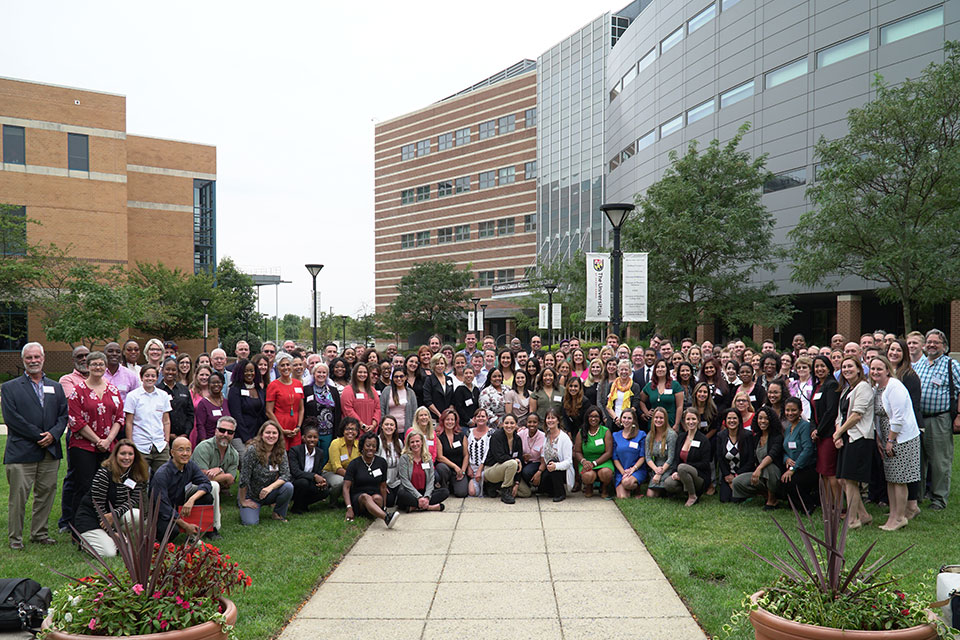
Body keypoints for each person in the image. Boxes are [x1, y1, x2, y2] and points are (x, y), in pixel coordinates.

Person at [2, 342, 69, 549]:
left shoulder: (56, 387)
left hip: (50, 451)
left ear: (43, 358)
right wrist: (39, 435)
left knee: (46, 494)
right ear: (23, 360)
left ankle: (40, 533)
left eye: (36, 357)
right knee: (18, 498)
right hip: (21, 451)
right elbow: (12, 418)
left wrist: (54, 435)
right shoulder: (10, 387)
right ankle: (15, 539)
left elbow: (63, 415)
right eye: (29, 358)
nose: (33, 361)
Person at [66, 351, 124, 525]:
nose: (98, 367)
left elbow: (119, 418)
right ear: (88, 366)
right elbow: (76, 420)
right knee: (85, 486)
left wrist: (107, 441)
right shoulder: (78, 391)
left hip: (108, 446)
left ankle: (104, 523)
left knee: (107, 486)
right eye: (94, 364)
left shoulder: (113, 390)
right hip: (83, 446)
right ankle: (80, 525)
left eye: (101, 364)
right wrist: (97, 440)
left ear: (106, 367)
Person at [870, 355, 921, 531]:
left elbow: (898, 417)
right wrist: (880, 439)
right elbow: (877, 417)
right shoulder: (878, 388)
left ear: (887, 370)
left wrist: (891, 440)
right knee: (891, 479)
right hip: (886, 438)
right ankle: (893, 514)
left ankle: (900, 518)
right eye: (873, 369)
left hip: (901, 438)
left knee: (899, 479)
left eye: (879, 369)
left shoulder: (895, 387)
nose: (875, 372)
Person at [74, 440, 148, 557]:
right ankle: (85, 541)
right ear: (115, 455)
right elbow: (97, 505)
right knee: (109, 554)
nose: (127, 458)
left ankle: (115, 539)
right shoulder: (104, 474)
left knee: (137, 515)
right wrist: (112, 532)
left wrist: (114, 514)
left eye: (130, 454)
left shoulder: (136, 473)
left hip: (113, 517)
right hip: (93, 518)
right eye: (123, 454)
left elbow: (133, 500)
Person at [914, 329, 960, 510]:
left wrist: (959, 416)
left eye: (936, 342)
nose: (932, 345)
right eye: (929, 341)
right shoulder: (919, 364)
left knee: (940, 461)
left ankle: (939, 499)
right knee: (917, 460)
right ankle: (916, 497)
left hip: (939, 419)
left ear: (944, 346)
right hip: (919, 419)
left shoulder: (951, 365)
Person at [834, 355, 875, 528]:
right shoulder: (846, 389)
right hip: (846, 437)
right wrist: (838, 433)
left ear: (859, 369)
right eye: (844, 367)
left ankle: (852, 520)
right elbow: (840, 415)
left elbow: (857, 415)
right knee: (842, 480)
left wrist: (839, 433)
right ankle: (864, 515)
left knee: (850, 479)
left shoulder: (863, 387)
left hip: (859, 438)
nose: (847, 369)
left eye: (850, 366)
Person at [149, 437, 211, 540]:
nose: (185, 453)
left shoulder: (190, 465)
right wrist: (185, 525)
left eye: (188, 450)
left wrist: (192, 499)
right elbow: (163, 506)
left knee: (206, 497)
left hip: (180, 505)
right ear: (172, 453)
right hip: (162, 512)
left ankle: (204, 529)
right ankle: (186, 528)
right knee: (171, 532)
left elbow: (206, 483)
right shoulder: (162, 474)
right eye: (180, 450)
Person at [190, 416, 239, 539]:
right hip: (190, 486)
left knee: (213, 485)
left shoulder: (234, 454)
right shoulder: (204, 447)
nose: (225, 434)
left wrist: (221, 471)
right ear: (216, 431)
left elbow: (230, 481)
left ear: (233, 435)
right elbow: (200, 477)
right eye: (222, 430)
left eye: (230, 432)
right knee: (214, 485)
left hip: (209, 489)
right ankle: (213, 528)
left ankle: (212, 526)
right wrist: (225, 475)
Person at [237, 421, 294, 525]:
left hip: (268, 492)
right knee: (250, 523)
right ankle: (245, 506)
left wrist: (270, 488)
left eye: (274, 433)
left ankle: (278, 513)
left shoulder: (281, 450)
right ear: (261, 434)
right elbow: (244, 478)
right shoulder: (252, 451)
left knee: (288, 487)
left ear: (278, 435)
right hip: (251, 495)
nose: (271, 436)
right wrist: (242, 500)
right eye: (268, 432)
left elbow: (286, 475)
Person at [732, 407, 784, 509]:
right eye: (760, 418)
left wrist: (759, 469)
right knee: (737, 482)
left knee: (769, 467)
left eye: (766, 418)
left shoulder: (777, 437)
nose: (763, 421)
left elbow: (772, 455)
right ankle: (766, 494)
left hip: (775, 474)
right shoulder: (756, 438)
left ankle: (772, 500)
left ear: (771, 420)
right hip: (761, 474)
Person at [124, 365, 172, 473]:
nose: (150, 378)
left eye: (153, 376)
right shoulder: (133, 396)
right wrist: (131, 443)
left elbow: (166, 421)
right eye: (147, 376)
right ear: (141, 378)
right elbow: (129, 422)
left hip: (160, 445)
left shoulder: (163, 395)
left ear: (157, 377)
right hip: (140, 444)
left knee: (164, 477)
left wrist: (166, 440)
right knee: (140, 479)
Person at [344, 432, 397, 527]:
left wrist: (384, 506)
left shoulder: (381, 462)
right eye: (368, 445)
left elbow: (383, 486)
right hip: (359, 498)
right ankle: (386, 518)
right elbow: (346, 487)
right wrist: (349, 508)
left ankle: (379, 512)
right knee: (365, 497)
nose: (371, 448)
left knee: (376, 498)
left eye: (374, 446)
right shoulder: (354, 464)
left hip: (376, 497)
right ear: (362, 446)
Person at [810, 354, 841, 505]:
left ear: (829, 368)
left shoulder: (831, 385)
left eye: (822, 366)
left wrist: (819, 431)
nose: (819, 369)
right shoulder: (817, 386)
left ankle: (840, 506)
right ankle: (828, 505)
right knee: (822, 472)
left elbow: (831, 411)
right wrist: (813, 429)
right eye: (816, 366)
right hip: (819, 435)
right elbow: (812, 411)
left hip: (828, 435)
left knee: (830, 472)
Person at [664, 408, 712, 506]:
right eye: (688, 419)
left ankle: (692, 495)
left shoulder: (703, 440)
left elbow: (705, 463)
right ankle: (686, 490)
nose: (691, 422)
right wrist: (675, 472)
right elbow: (676, 459)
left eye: (693, 419)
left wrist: (684, 469)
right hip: (683, 473)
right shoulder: (681, 437)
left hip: (699, 476)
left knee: (682, 467)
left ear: (698, 420)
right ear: (684, 421)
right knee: (668, 483)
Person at [780, 397, 817, 513]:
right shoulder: (788, 429)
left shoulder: (805, 426)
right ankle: (796, 505)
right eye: (787, 410)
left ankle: (809, 505)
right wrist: (786, 459)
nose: (790, 413)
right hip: (793, 466)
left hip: (806, 467)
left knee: (791, 480)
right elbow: (785, 449)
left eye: (793, 410)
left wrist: (793, 468)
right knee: (782, 481)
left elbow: (808, 449)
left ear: (801, 411)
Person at [397, 430, 449, 512]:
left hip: (425, 492)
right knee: (401, 495)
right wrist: (419, 497)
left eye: (417, 441)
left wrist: (427, 496)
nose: (415, 444)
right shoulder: (404, 458)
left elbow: (431, 479)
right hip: (411, 492)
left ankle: (415, 507)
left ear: (422, 442)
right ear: (409, 444)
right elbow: (405, 480)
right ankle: (429, 507)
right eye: (412, 442)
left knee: (445, 492)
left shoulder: (427, 457)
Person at [483, 413, 528, 503]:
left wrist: (517, 483)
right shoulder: (496, 436)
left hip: (509, 470)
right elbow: (499, 457)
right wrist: (515, 460)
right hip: (492, 469)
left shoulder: (517, 439)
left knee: (526, 492)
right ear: (502, 424)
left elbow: (519, 460)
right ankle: (505, 491)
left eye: (512, 423)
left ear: (516, 425)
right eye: (506, 423)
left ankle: (497, 487)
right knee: (513, 463)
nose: (509, 426)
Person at [287, 422, 331, 514]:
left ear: (318, 439)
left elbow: (318, 471)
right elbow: (295, 472)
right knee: (303, 482)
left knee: (325, 490)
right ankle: (296, 508)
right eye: (309, 437)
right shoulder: (295, 451)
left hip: (310, 482)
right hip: (295, 483)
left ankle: (303, 504)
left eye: (315, 437)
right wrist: (314, 476)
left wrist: (321, 482)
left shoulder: (320, 453)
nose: (312, 440)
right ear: (303, 438)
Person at [303, 363, 340, 468]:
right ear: (313, 374)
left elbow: (337, 412)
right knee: (310, 456)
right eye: (319, 372)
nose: (321, 374)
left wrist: (337, 431)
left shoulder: (333, 391)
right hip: (312, 430)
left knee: (325, 456)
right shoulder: (307, 390)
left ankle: (323, 477)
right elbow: (303, 410)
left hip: (328, 431)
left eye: (324, 372)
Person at [227, 358, 266, 455]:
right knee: (246, 459)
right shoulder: (235, 389)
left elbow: (262, 413)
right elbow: (237, 415)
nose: (249, 373)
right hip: (241, 435)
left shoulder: (259, 389)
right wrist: (247, 438)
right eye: (246, 371)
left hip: (257, 434)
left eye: (251, 371)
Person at [265, 352, 304, 449]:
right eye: (282, 365)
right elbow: (269, 411)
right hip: (280, 425)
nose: (286, 367)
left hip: (295, 428)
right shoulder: (273, 385)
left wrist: (298, 427)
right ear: (278, 368)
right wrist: (280, 429)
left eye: (288, 364)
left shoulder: (298, 384)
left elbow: (301, 409)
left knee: (295, 456)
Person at [716, 408, 756, 503]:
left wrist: (736, 477)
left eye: (734, 418)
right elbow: (720, 458)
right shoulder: (720, 436)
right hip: (728, 475)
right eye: (729, 418)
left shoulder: (748, 436)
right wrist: (727, 475)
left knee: (736, 500)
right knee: (724, 499)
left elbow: (751, 460)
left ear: (739, 420)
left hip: (742, 473)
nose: (732, 421)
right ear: (725, 421)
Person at [575, 405, 614, 498]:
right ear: (587, 418)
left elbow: (608, 452)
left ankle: (604, 488)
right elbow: (577, 452)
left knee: (606, 473)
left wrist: (595, 463)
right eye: (591, 416)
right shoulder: (581, 432)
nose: (593, 419)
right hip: (586, 461)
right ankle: (589, 487)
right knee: (588, 476)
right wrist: (584, 462)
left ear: (600, 418)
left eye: (596, 416)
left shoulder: (605, 431)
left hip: (603, 461)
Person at [534, 408, 574, 502]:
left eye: (553, 418)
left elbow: (568, 462)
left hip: (562, 470)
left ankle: (561, 493)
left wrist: (556, 466)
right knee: (542, 483)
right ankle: (551, 490)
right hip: (550, 468)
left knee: (554, 462)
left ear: (558, 421)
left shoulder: (564, 438)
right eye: (548, 418)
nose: (550, 420)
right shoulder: (547, 435)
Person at [322, 417, 362, 503]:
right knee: (339, 482)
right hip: (331, 472)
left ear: (357, 432)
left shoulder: (359, 445)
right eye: (347, 429)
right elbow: (337, 468)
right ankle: (333, 501)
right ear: (343, 430)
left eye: (353, 429)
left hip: (350, 474)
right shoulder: (335, 443)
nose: (350, 431)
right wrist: (353, 477)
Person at [639, 359, 684, 431]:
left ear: (667, 369)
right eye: (658, 367)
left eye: (662, 367)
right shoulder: (650, 386)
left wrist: (677, 424)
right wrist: (646, 412)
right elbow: (641, 400)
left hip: (670, 422)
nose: (660, 369)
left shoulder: (675, 385)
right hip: (655, 422)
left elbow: (679, 406)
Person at [612, 407, 647, 498]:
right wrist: (623, 472)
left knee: (627, 483)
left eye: (629, 418)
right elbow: (615, 458)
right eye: (624, 418)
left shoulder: (641, 435)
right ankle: (630, 488)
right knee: (622, 497)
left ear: (634, 420)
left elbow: (642, 457)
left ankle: (636, 487)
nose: (626, 420)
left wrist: (633, 469)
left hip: (637, 469)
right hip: (621, 471)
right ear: (620, 419)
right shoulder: (615, 435)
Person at [158, 358, 195, 443]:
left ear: (177, 371)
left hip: (183, 437)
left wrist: (186, 433)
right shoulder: (157, 390)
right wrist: (168, 434)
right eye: (167, 369)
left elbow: (190, 413)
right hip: (162, 438)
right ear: (162, 371)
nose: (170, 372)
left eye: (173, 370)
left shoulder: (184, 390)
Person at [435, 408, 469, 498]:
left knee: (461, 493)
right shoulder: (439, 436)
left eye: (452, 420)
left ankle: (453, 485)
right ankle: (444, 485)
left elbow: (466, 455)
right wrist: (455, 467)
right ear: (443, 421)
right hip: (446, 469)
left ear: (455, 421)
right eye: (447, 419)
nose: (450, 422)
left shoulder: (462, 435)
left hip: (459, 470)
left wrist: (463, 471)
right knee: (441, 467)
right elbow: (440, 457)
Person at [644, 407, 677, 498]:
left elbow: (671, 457)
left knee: (664, 486)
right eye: (656, 417)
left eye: (661, 418)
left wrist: (659, 473)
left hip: (668, 466)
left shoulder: (671, 435)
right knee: (650, 495)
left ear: (665, 419)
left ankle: (669, 491)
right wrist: (656, 470)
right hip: (656, 467)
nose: (658, 420)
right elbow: (648, 457)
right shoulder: (650, 435)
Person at [192, 371, 230, 447]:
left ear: (223, 384)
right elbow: (200, 425)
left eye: (218, 382)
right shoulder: (203, 404)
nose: (216, 385)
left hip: (225, 443)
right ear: (208, 385)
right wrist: (204, 443)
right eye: (213, 383)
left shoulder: (226, 402)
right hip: (209, 443)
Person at [340, 362, 380, 433]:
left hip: (371, 430)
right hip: (355, 430)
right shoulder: (348, 390)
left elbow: (377, 408)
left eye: (365, 372)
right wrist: (362, 425)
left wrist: (373, 425)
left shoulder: (372, 390)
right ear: (355, 374)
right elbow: (348, 410)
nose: (362, 374)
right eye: (360, 372)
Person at [604, 359, 644, 430]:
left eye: (626, 369)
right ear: (618, 371)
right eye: (621, 369)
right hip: (614, 421)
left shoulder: (635, 386)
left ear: (630, 371)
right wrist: (616, 418)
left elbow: (635, 404)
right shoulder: (612, 385)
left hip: (629, 421)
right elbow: (608, 405)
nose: (624, 372)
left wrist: (625, 419)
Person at [381, 364, 416, 434]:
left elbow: (414, 412)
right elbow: (382, 409)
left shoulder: (410, 393)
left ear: (406, 377)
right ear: (392, 378)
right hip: (389, 431)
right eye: (396, 377)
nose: (399, 379)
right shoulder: (387, 391)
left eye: (401, 376)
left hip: (406, 431)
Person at [377, 416, 404, 506]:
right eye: (386, 424)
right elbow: (374, 465)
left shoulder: (399, 442)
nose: (389, 427)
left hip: (396, 481)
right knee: (389, 502)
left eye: (392, 425)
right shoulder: (377, 442)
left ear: (395, 427)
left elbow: (402, 465)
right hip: (383, 482)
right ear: (382, 426)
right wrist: (381, 485)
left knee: (404, 495)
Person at [467, 408, 492, 496]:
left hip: (486, 468)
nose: (480, 418)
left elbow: (488, 452)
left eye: (483, 416)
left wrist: (480, 470)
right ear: (474, 419)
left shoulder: (491, 433)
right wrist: (468, 467)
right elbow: (466, 452)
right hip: (472, 469)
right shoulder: (468, 432)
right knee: (472, 492)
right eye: (478, 416)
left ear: (487, 418)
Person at [518, 413, 546, 492]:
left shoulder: (543, 437)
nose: (532, 424)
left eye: (534, 422)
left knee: (527, 472)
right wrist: (522, 457)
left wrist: (539, 472)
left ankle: (534, 484)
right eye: (529, 422)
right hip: (523, 461)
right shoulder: (521, 433)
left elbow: (544, 459)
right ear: (526, 423)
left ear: (538, 423)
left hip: (536, 462)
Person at [423, 353, 454, 422]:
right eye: (437, 364)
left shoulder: (449, 379)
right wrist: (439, 415)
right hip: (434, 417)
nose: (440, 366)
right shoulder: (429, 380)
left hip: (448, 418)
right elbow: (427, 400)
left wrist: (448, 413)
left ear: (445, 365)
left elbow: (452, 398)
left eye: (442, 363)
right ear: (433, 365)